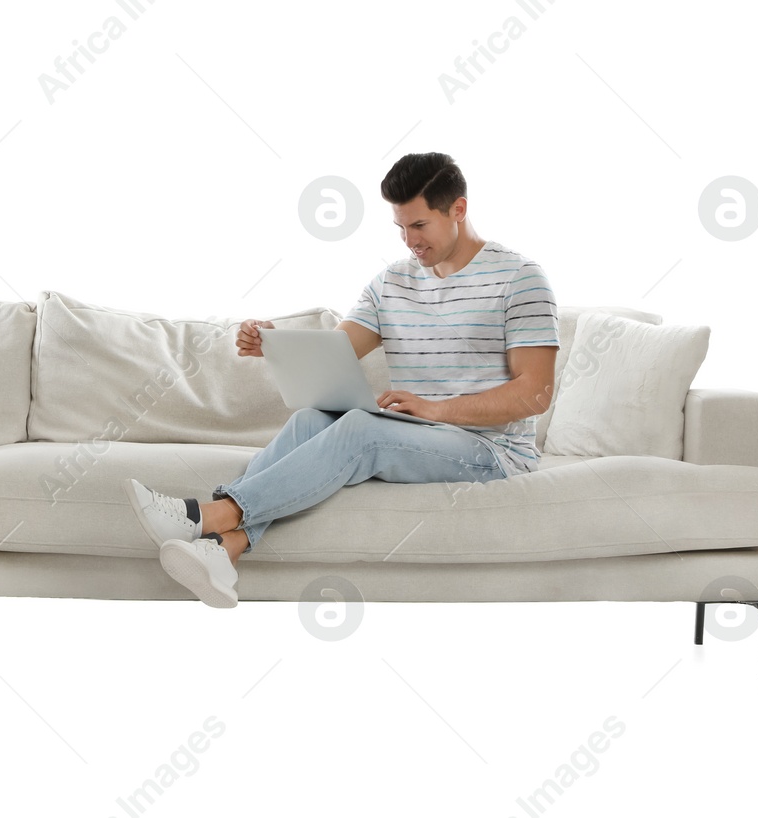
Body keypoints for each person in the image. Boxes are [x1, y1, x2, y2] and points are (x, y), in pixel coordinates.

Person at [122, 152, 560, 608]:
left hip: (493, 451)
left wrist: (436, 409)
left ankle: (204, 516)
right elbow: (333, 355)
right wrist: (274, 344)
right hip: (420, 433)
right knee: (311, 419)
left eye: (420, 226)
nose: (410, 241)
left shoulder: (519, 278)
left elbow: (536, 393)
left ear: (458, 209)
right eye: (400, 228)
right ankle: (222, 552)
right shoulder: (392, 283)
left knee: (361, 431)